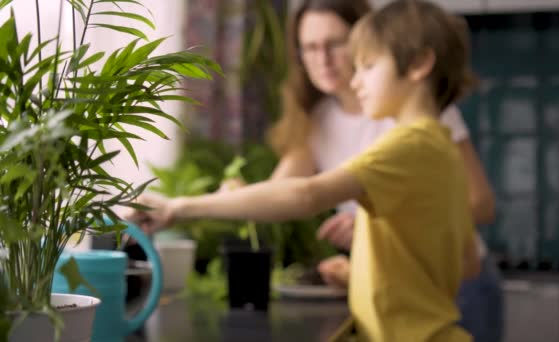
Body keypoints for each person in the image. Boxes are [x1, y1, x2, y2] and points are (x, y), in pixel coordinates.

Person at [124, 1, 482, 340]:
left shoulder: (406, 144)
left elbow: (306, 194)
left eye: (368, 67)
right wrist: (363, 273)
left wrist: (178, 207)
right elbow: (465, 262)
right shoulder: (440, 147)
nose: (356, 81)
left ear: (419, 64)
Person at [230, 0, 503, 341]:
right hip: (400, 283)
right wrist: (228, 195)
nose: (322, 59)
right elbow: (281, 193)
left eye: (334, 44)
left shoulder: (422, 119)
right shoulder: (319, 121)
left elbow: (481, 204)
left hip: (453, 281)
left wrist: (379, 225)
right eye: (310, 48)